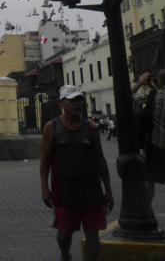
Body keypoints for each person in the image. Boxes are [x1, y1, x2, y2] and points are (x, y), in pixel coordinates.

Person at [40, 85, 113, 261]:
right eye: (71, 100)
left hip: (91, 190)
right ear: (62, 103)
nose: (76, 104)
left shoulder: (92, 128)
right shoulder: (51, 127)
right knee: (64, 234)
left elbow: (100, 160)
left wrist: (108, 190)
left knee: (93, 236)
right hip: (64, 190)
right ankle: (65, 255)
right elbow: (45, 161)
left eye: (79, 99)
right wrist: (44, 187)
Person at [143, 69, 165, 227]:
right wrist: (152, 85)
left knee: (149, 179)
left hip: (156, 144)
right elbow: (163, 94)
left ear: (160, 81)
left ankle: (146, 212)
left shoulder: (156, 96)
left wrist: (142, 83)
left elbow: (133, 97)